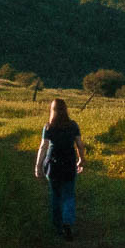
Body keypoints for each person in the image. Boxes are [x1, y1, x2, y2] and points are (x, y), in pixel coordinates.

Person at [34, 97, 85, 240]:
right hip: (69, 162)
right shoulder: (73, 125)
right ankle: (67, 223)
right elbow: (79, 144)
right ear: (66, 109)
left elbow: (43, 146)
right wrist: (81, 159)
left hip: (53, 164)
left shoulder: (48, 127)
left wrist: (38, 166)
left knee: (55, 195)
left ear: (53, 110)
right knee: (69, 194)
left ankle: (57, 226)